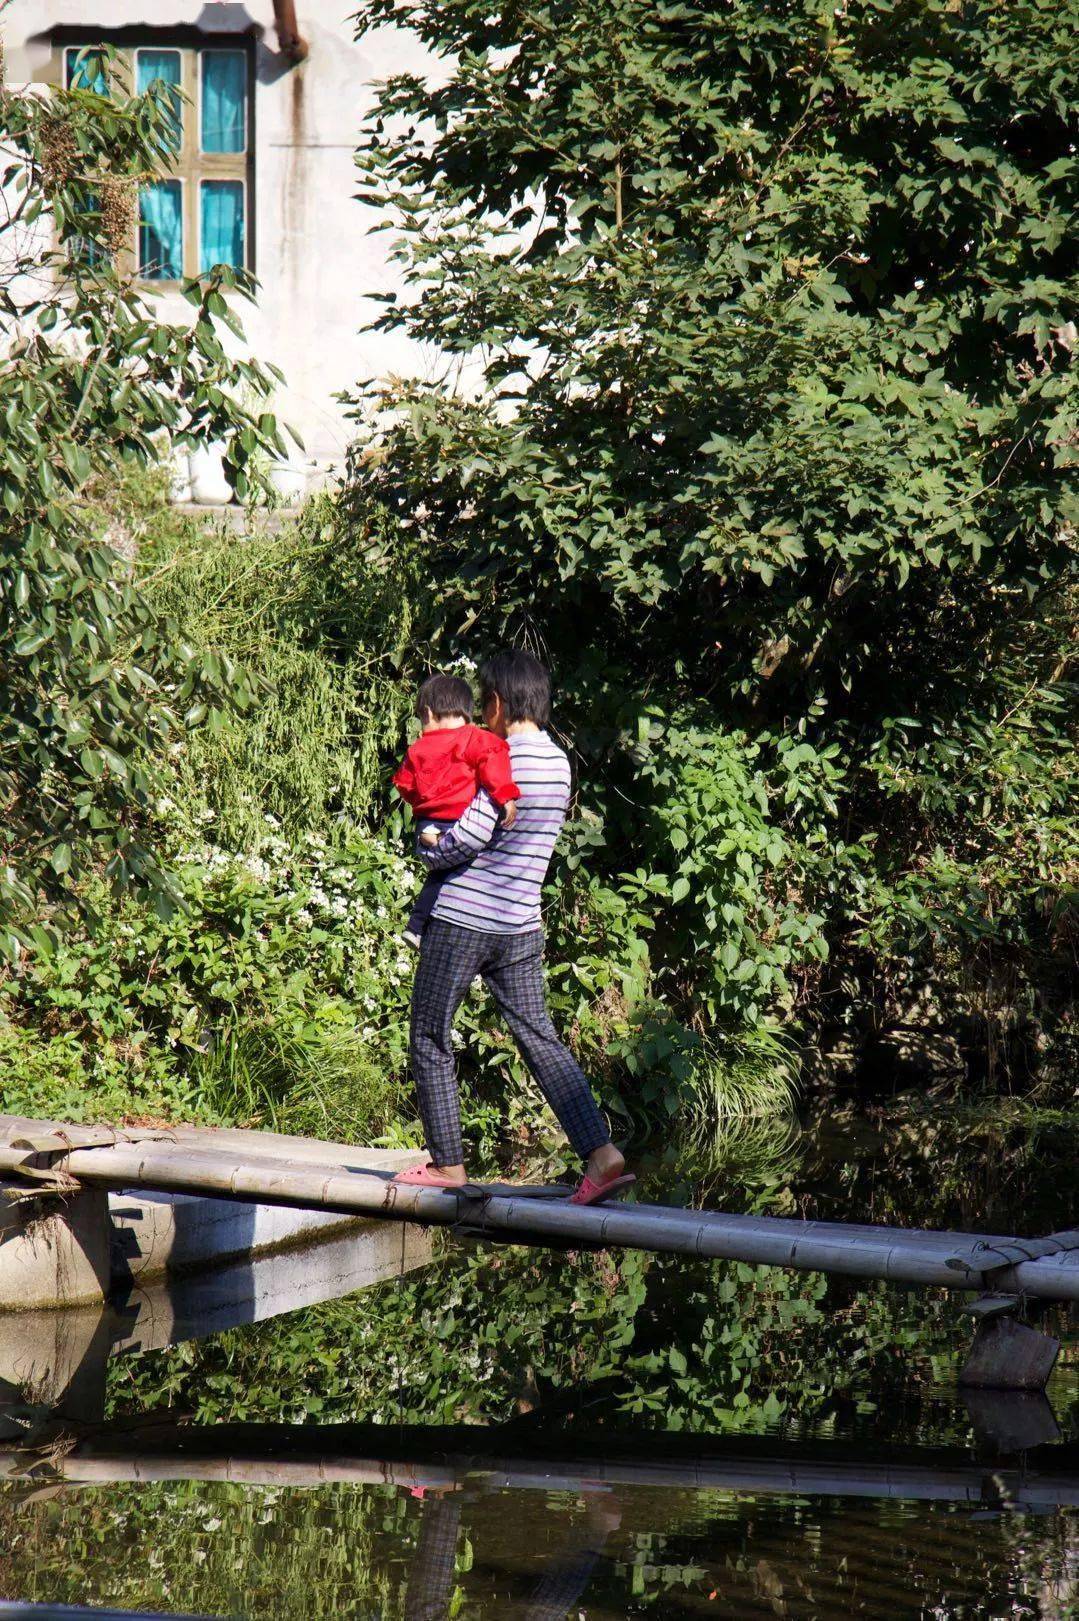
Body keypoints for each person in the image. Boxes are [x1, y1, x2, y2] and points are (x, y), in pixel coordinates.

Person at [392, 648, 633, 1207]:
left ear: (497, 703)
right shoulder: (558, 762)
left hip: (463, 919)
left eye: (484, 702)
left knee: (429, 1033)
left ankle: (449, 1165)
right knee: (538, 1036)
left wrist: (430, 847)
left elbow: (472, 834)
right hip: (521, 924)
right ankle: (601, 1155)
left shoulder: (502, 756)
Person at [392, 672, 520, 947]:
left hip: (427, 822)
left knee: (437, 873)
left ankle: (415, 925)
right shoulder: (476, 738)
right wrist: (506, 796)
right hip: (456, 822)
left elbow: (403, 783)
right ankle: (420, 926)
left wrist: (421, 804)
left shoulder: (419, 748)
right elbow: (494, 762)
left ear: (428, 712)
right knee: (449, 875)